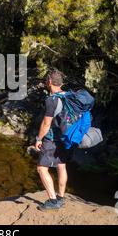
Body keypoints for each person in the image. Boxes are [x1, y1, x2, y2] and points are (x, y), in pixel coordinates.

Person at [35, 68, 74, 211]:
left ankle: (53, 201)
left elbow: (46, 123)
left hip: (52, 139)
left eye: (47, 80)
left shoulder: (52, 100)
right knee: (61, 166)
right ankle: (61, 197)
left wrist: (39, 138)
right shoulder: (69, 96)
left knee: (41, 168)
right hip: (66, 138)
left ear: (50, 82)